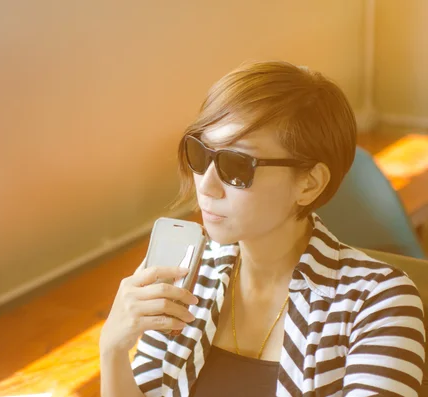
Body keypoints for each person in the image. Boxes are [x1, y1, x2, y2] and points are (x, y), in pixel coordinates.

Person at [98, 60, 426, 396]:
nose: (206, 186)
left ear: (309, 184)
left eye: (237, 165)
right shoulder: (187, 276)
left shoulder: (378, 304)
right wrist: (112, 349)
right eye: (200, 153)